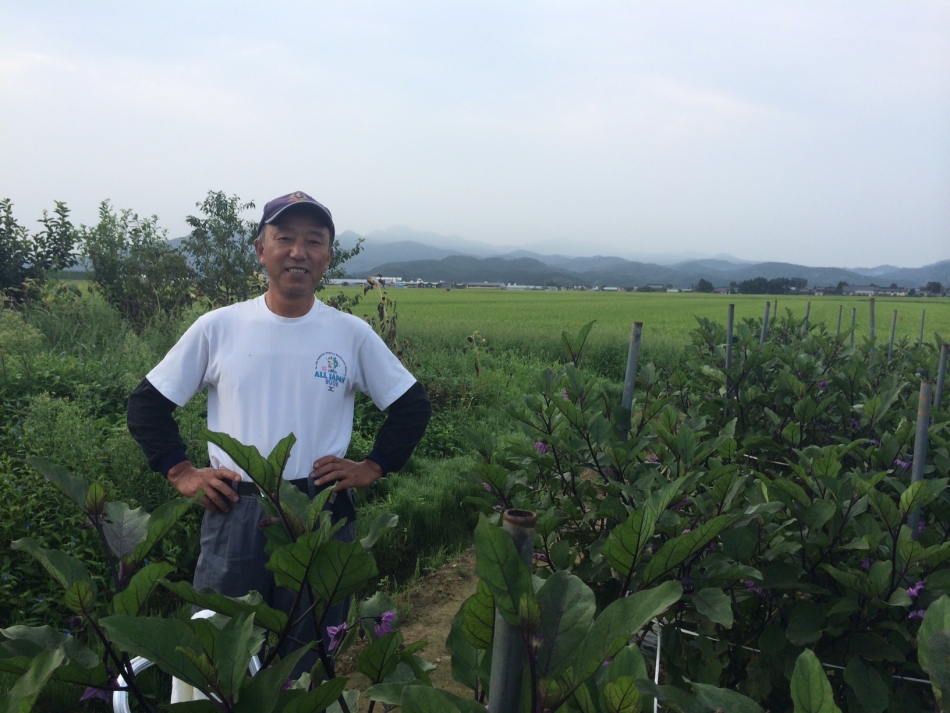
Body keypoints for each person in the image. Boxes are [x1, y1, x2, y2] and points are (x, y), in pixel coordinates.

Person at [127, 191, 431, 674]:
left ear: (328, 256)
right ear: (260, 250)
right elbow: (147, 404)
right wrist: (181, 472)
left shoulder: (350, 334)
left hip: (320, 510)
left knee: (309, 659)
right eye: (284, 238)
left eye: (314, 241)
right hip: (236, 511)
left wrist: (373, 466)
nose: (298, 252)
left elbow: (411, 406)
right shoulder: (218, 328)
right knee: (220, 652)